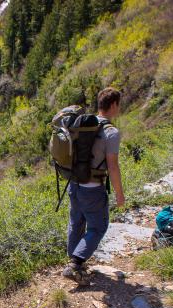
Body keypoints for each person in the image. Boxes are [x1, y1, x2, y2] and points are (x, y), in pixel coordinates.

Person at [62, 87, 126, 285]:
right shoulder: (110, 132)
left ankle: (75, 261)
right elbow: (112, 166)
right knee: (98, 227)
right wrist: (119, 194)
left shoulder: (83, 125)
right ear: (113, 104)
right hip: (92, 187)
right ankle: (75, 264)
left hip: (74, 183)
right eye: (118, 105)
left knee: (77, 222)